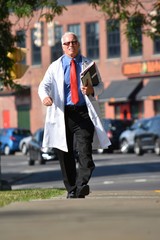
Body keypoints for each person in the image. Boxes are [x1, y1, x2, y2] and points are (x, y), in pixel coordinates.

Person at [38, 32, 111, 198]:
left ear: (78, 44)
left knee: (85, 152)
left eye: (74, 42)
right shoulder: (54, 67)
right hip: (63, 114)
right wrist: (45, 97)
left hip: (83, 114)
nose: (71, 45)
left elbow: (100, 86)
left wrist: (93, 90)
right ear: (62, 47)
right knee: (65, 154)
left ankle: (81, 184)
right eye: (67, 43)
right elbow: (43, 86)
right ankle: (72, 189)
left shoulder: (88, 64)